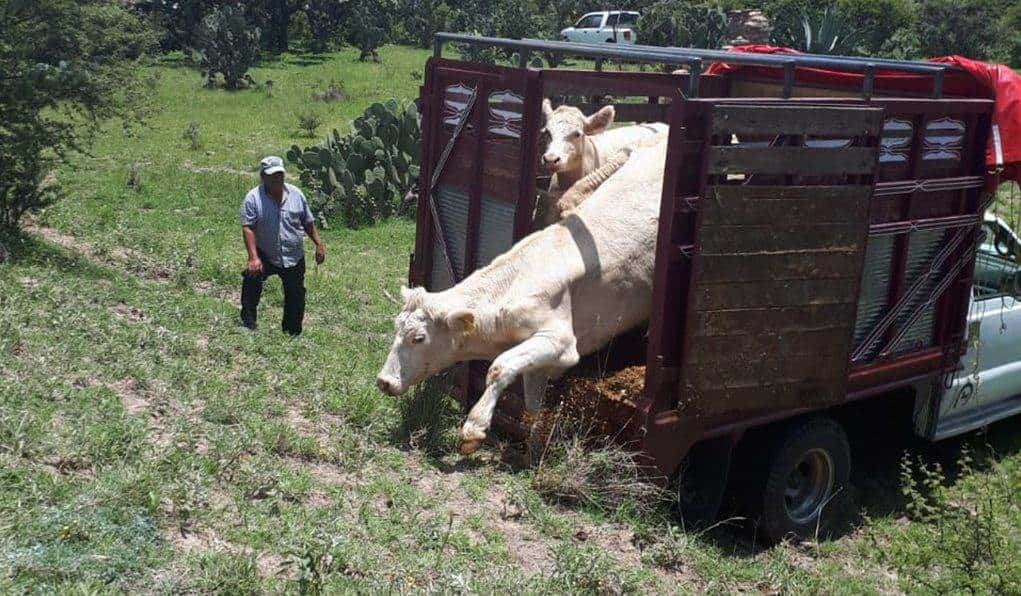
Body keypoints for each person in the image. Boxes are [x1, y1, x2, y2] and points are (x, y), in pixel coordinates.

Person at [239, 156, 325, 336]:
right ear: (263, 177)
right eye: (272, 176)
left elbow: (308, 222)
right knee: (251, 280)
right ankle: (248, 323)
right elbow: (248, 227)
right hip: (265, 252)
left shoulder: (296, 195)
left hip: (293, 254)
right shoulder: (253, 198)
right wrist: (253, 257)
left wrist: (318, 243)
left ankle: (292, 333)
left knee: (296, 294)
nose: (277, 179)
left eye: (280, 174)